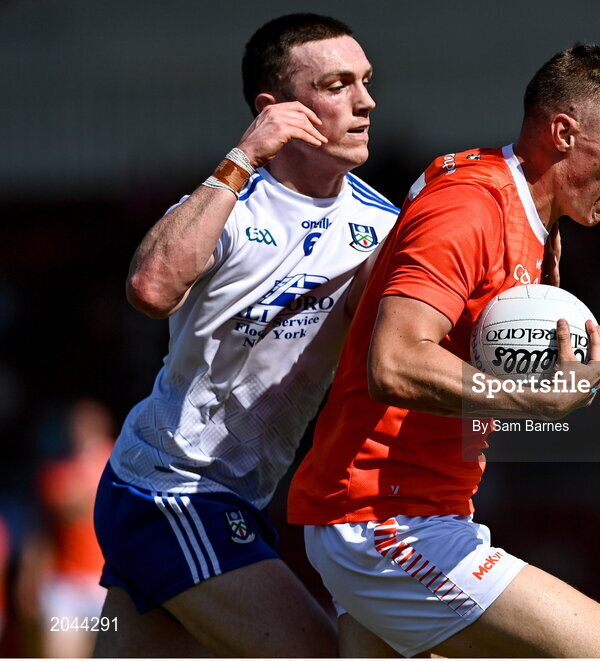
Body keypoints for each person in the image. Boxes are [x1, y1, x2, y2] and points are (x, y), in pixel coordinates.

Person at [288, 44, 600, 658]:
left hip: (421, 510)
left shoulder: (530, 222)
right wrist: (531, 397)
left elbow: (369, 306)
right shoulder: (471, 205)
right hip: (380, 520)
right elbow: (396, 361)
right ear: (564, 133)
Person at [92, 14, 397, 657]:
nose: (365, 102)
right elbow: (150, 290)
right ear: (276, 110)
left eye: (365, 82)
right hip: (174, 490)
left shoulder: (380, 224)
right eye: (337, 85)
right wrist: (242, 156)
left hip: (242, 496)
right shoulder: (230, 202)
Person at [19, 400, 114, 658]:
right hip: (68, 586)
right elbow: (47, 525)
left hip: (107, 587)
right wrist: (31, 577)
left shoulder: (119, 464)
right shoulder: (58, 473)